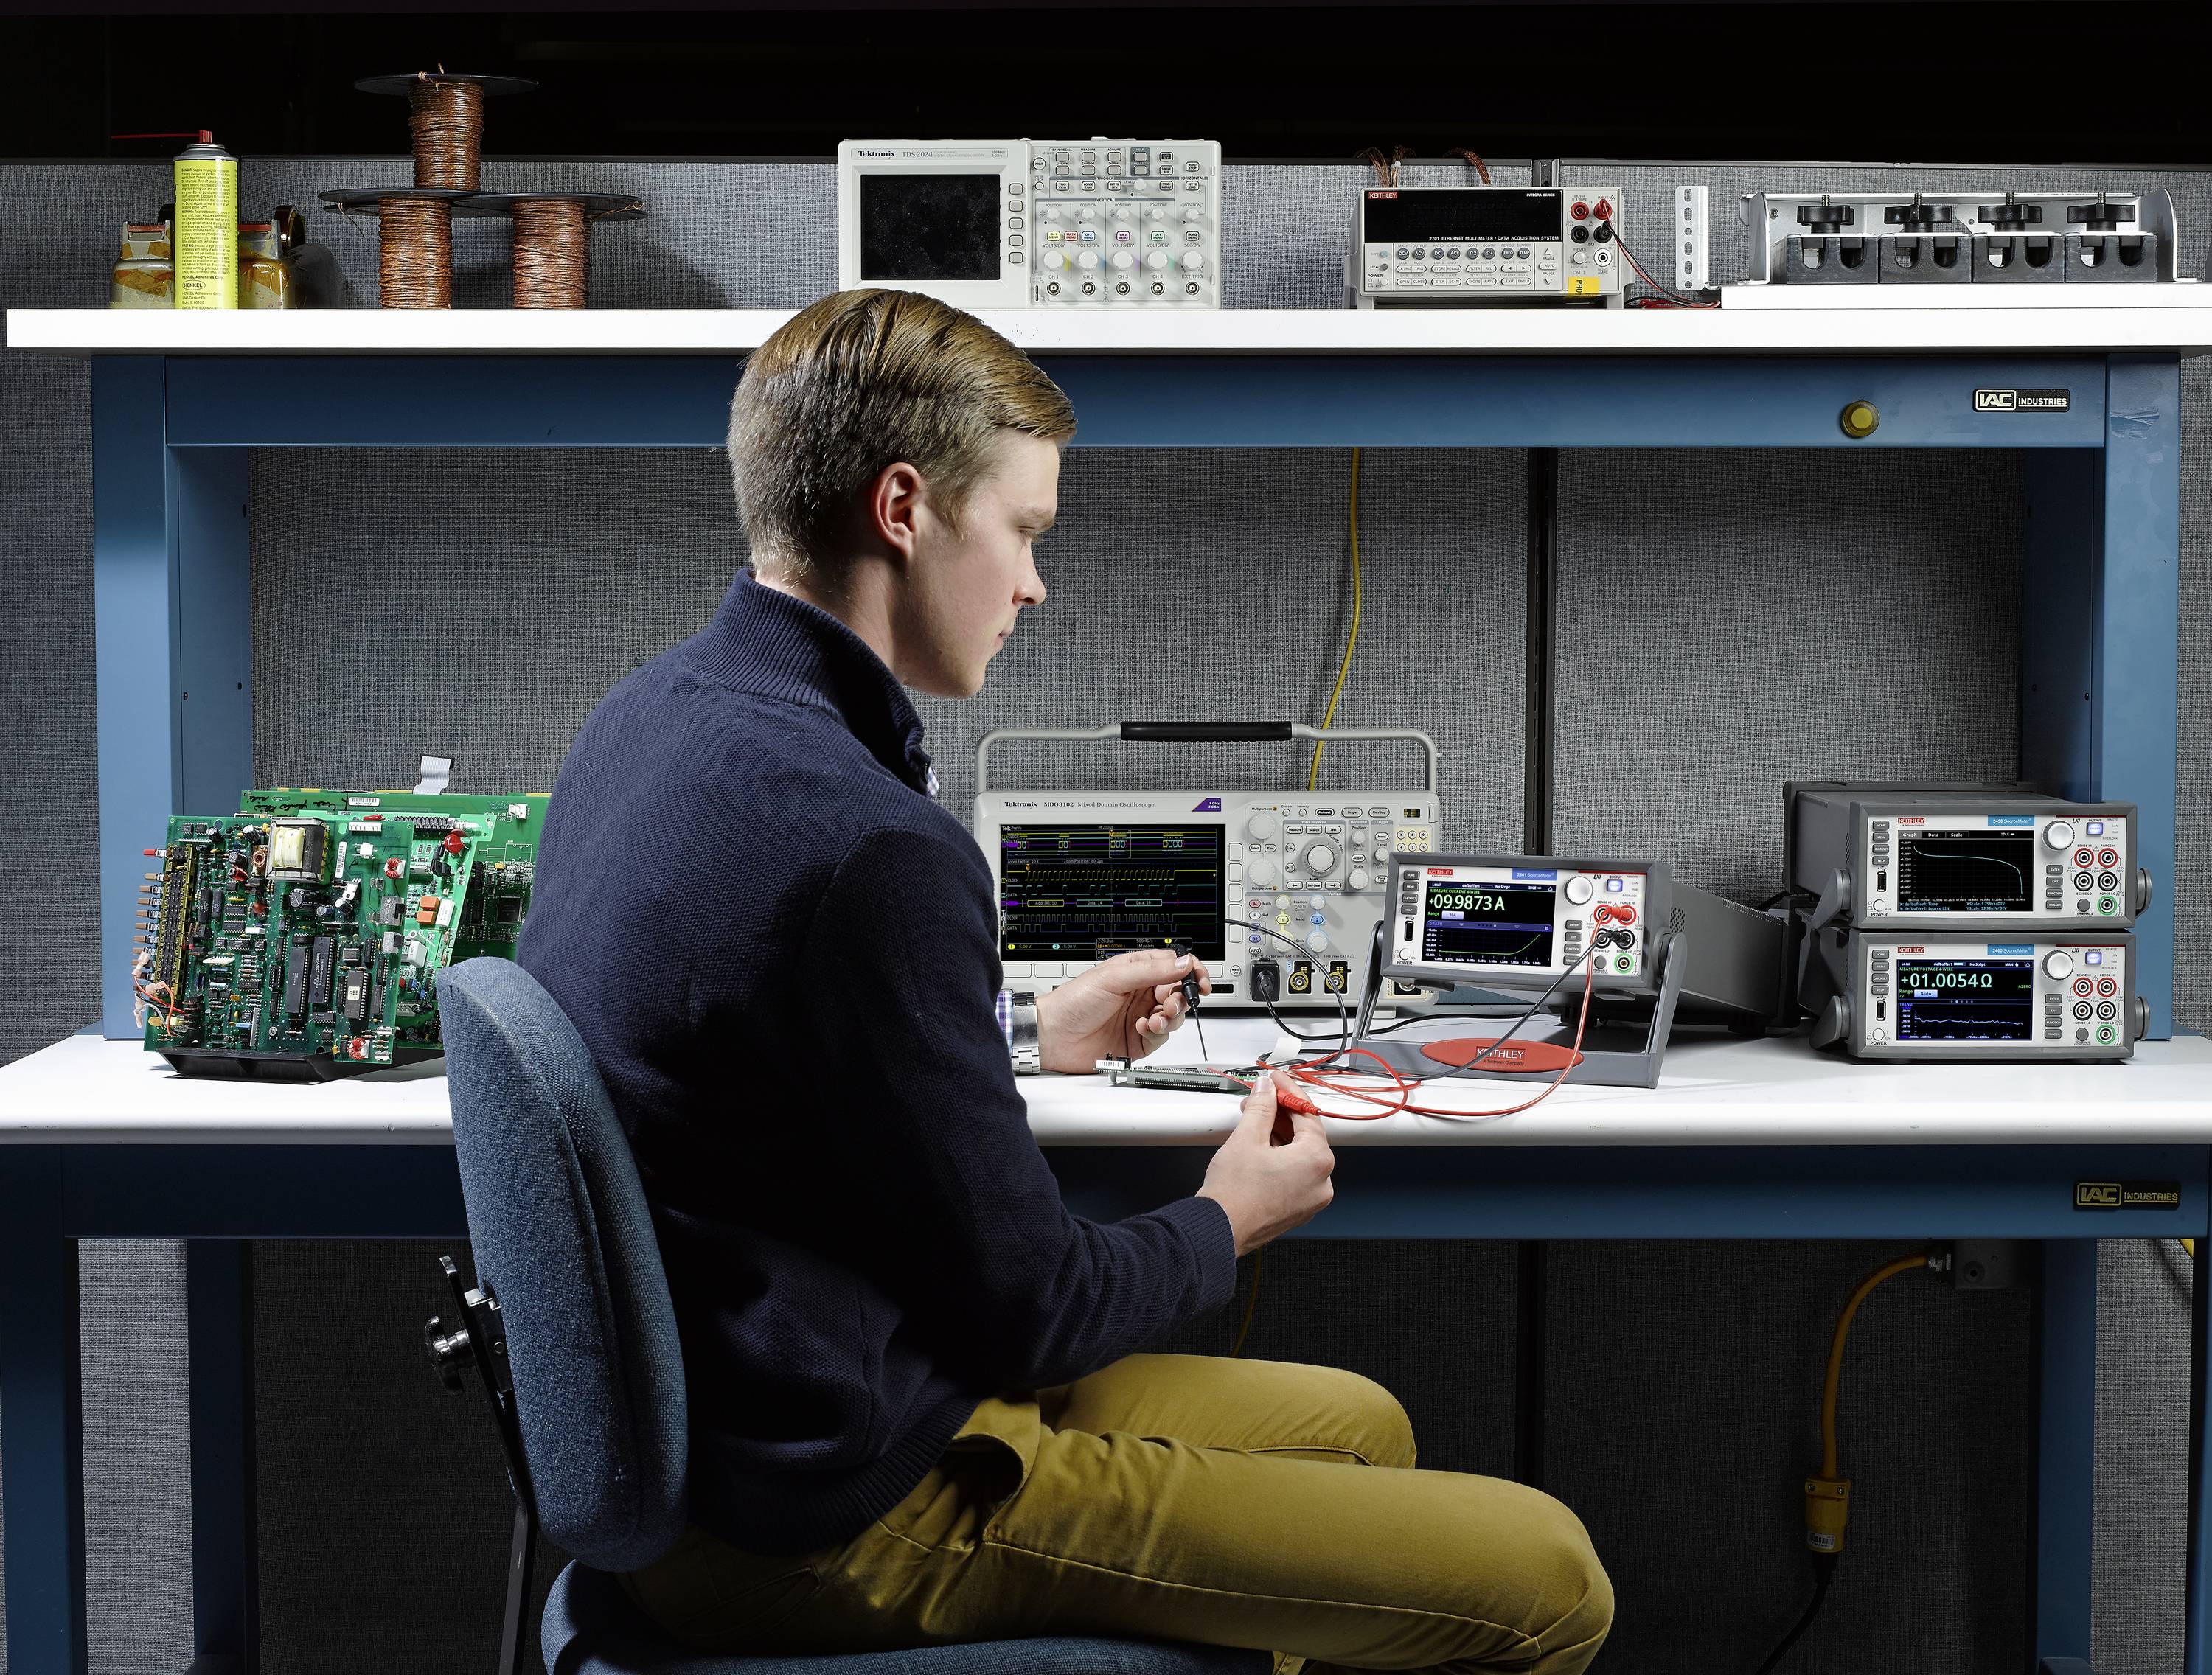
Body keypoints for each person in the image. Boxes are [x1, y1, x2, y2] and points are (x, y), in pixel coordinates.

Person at [517, 286, 1612, 1674]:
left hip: (747, 1439)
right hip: (844, 1513)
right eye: (1025, 530)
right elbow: (1034, 1310)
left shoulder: (655, 718)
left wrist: (1023, 1027)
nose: (1035, 583)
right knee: (1552, 1581)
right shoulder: (870, 842)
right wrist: (1229, 1218)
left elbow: (759, 1059)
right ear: (903, 508)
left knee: (1363, 1428)